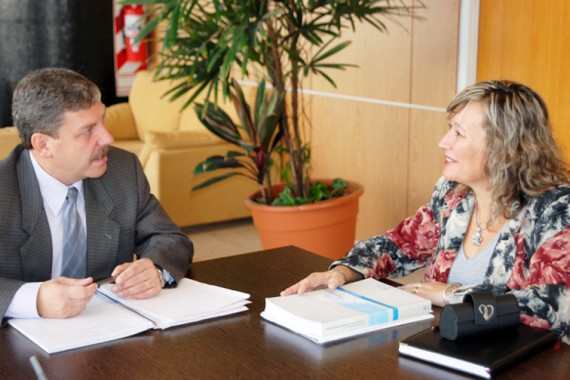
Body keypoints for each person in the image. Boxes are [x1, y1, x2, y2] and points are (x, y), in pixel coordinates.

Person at [281, 80, 570, 344]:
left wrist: (450, 294)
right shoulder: (453, 195)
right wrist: (342, 273)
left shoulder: (556, 209)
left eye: (458, 133)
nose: (443, 142)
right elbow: (397, 244)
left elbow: (549, 305)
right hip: (447, 344)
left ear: (505, 149)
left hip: (523, 359)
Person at [0, 68, 193, 323]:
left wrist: (154, 269)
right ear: (43, 145)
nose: (108, 138)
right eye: (87, 130)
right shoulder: (5, 191)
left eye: (103, 120)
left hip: (111, 335)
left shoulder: (122, 170)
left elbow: (169, 238)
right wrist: (32, 299)